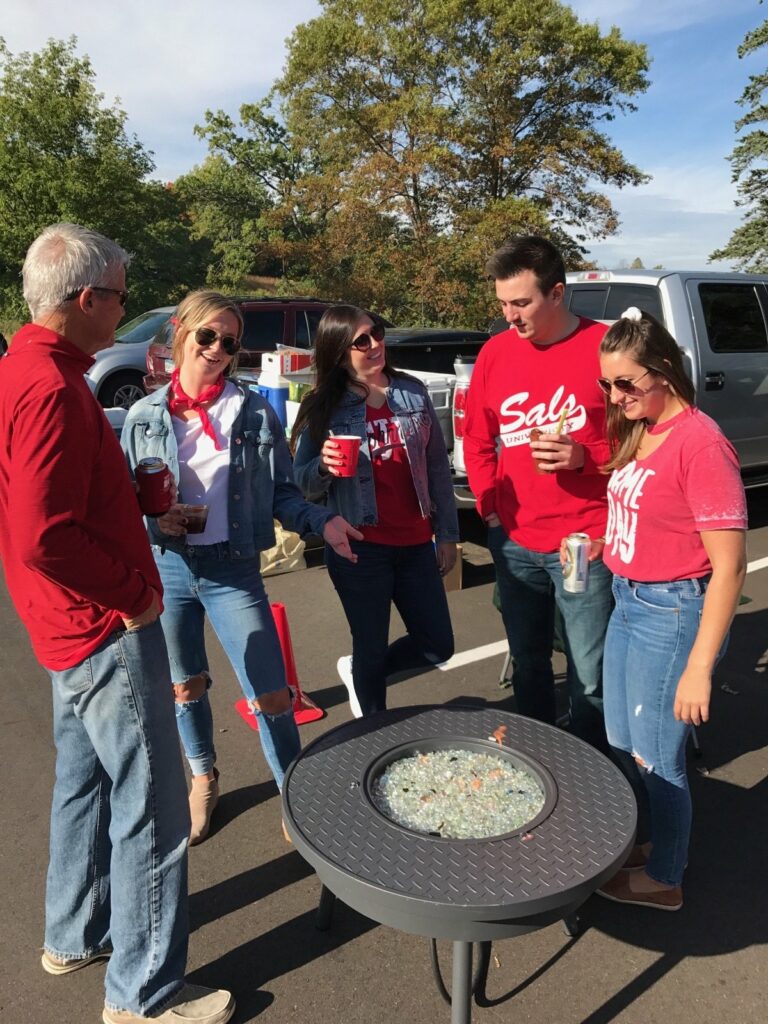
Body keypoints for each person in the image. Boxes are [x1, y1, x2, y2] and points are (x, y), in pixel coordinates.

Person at [0, 225, 234, 1024]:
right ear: (87, 299)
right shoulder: (52, 386)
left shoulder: (26, 368)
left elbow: (46, 504)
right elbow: (40, 532)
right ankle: (143, 996)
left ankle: (73, 934)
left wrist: (123, 496)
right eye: (124, 297)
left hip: (63, 626)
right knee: (156, 810)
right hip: (100, 626)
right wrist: (133, 592)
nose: (129, 311)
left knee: (84, 785)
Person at [122, 290, 361, 845]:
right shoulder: (142, 417)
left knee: (273, 694)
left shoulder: (253, 411)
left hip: (233, 571)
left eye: (229, 342)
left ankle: (292, 792)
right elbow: (126, 505)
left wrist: (320, 521)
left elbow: (282, 493)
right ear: (181, 332)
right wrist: (157, 523)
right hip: (171, 567)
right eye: (207, 335)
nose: (217, 349)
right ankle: (203, 777)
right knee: (186, 687)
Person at [591, 307, 747, 910]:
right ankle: (652, 841)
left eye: (626, 382)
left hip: (672, 612)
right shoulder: (644, 428)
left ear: (663, 371)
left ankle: (666, 876)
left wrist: (699, 668)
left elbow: (729, 567)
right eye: (607, 383)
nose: (616, 395)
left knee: (659, 756)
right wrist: (609, 543)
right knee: (622, 737)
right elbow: (653, 514)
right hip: (629, 601)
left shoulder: (701, 445)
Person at [463, 235, 613, 751]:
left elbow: (647, 442)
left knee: (588, 668)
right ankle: (538, 758)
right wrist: (489, 510)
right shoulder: (496, 352)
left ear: (557, 293)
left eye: (521, 302)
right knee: (528, 661)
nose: (510, 316)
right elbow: (478, 439)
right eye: (503, 303)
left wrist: (585, 458)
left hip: (582, 543)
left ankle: (593, 773)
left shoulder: (605, 348)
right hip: (516, 542)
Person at [292, 305, 458, 717]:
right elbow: (301, 485)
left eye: (378, 333)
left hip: (417, 543)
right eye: (361, 341)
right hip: (360, 547)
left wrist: (448, 533)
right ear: (338, 351)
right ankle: (372, 733)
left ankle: (361, 670)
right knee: (369, 642)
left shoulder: (412, 391)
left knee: (437, 644)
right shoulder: (323, 405)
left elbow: (438, 465)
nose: (375, 345)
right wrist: (325, 467)